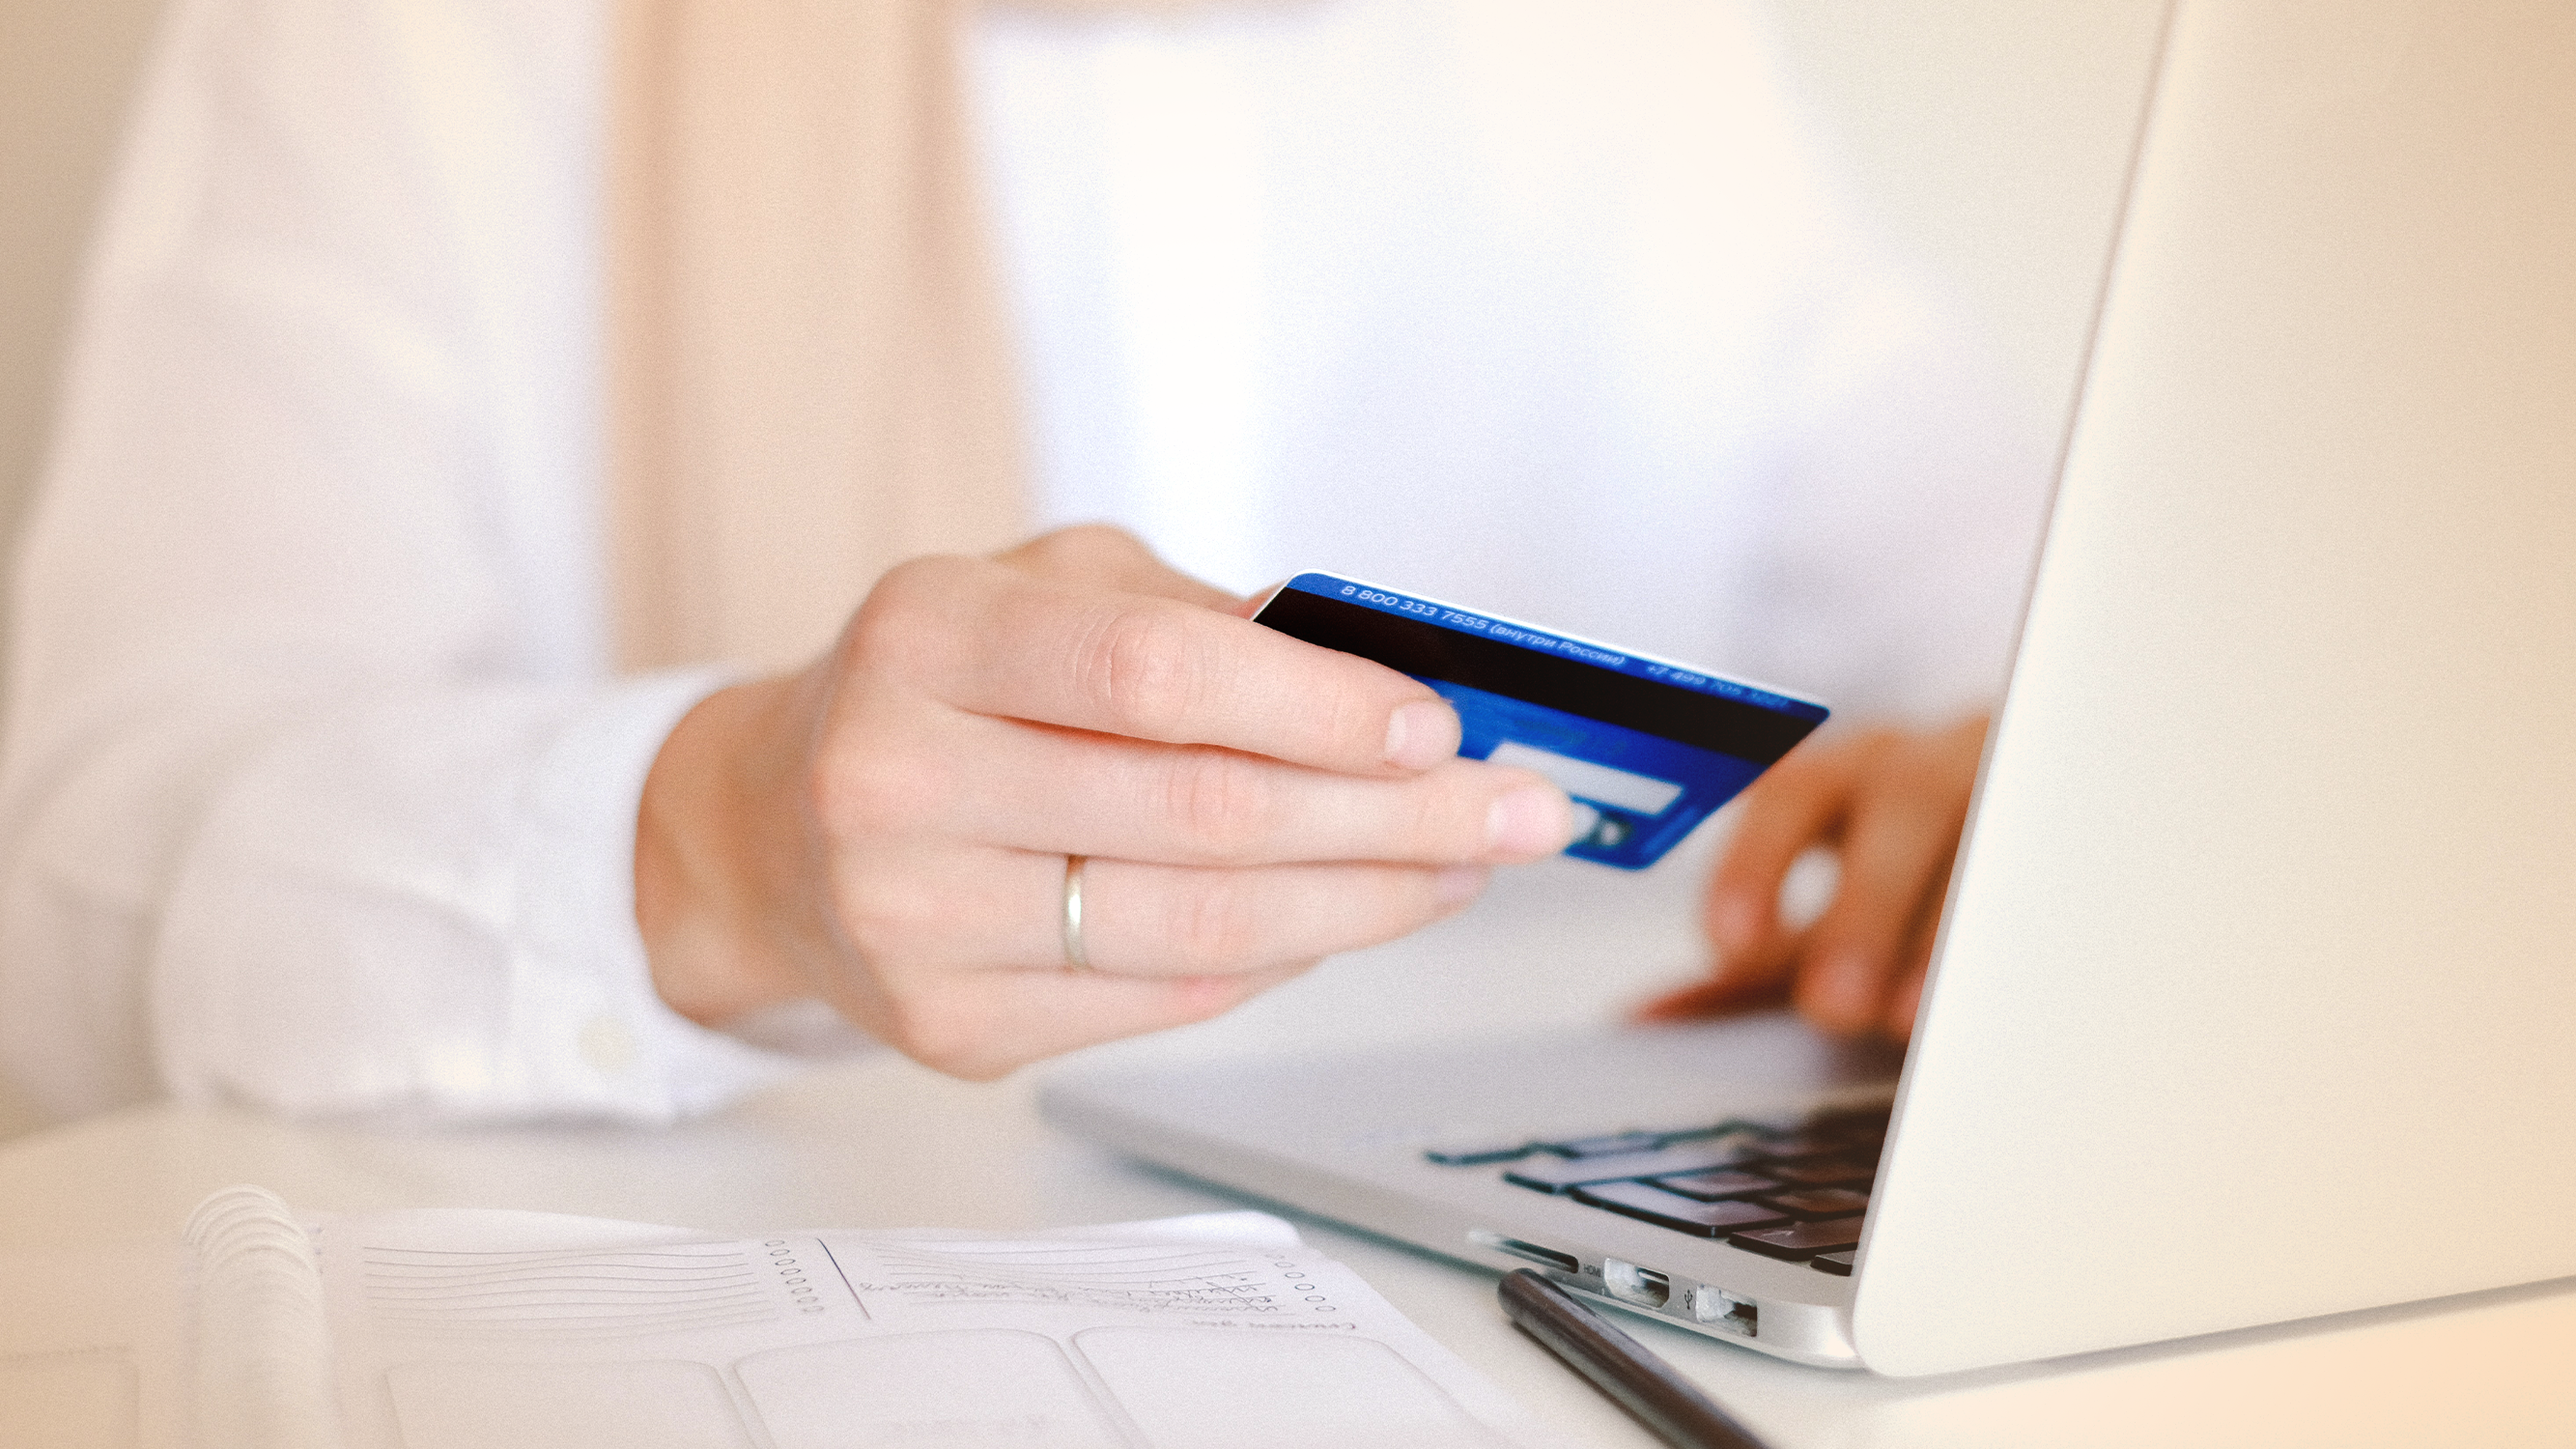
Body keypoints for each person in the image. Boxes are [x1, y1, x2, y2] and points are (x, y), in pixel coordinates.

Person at [0, 0, 2043, 1125]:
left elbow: (2055, 628)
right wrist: (708, 842)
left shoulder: (1637, 56)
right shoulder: (399, 48)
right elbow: (76, 907)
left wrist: (2018, 789)